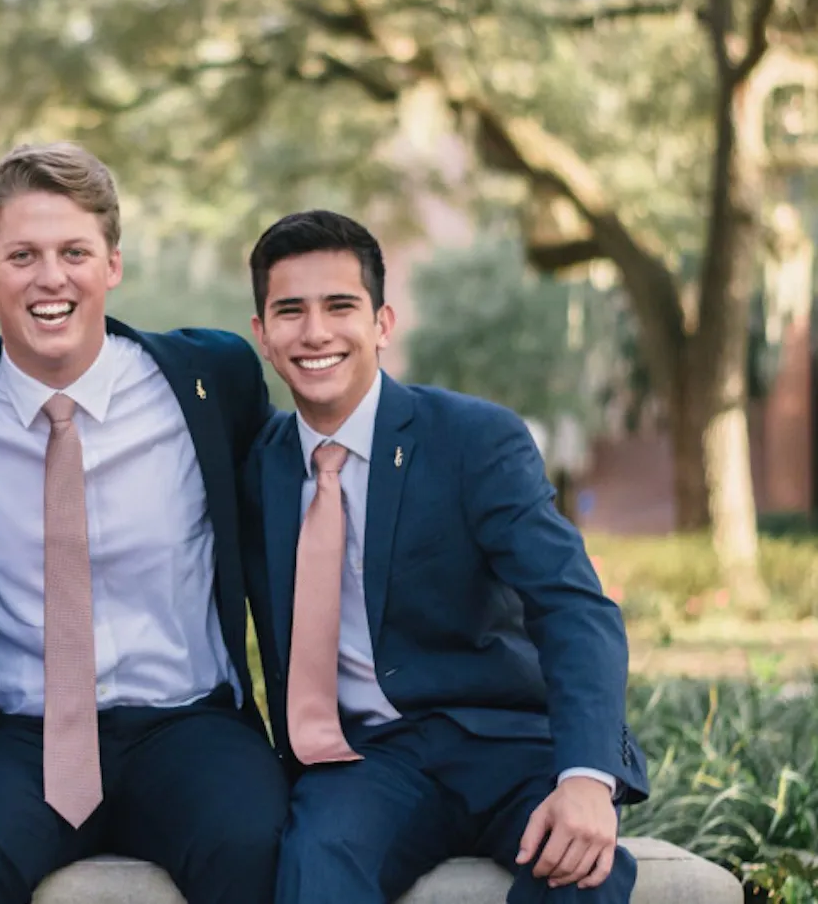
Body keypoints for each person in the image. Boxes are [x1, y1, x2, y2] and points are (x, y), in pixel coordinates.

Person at [0, 143, 289, 904]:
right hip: (10, 732)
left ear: (112, 264)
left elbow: (312, 444)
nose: (50, 277)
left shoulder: (212, 379)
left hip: (186, 723)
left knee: (259, 847)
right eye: (22, 254)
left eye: (75, 251)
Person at [238, 209, 649, 904]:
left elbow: (571, 606)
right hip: (367, 760)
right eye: (290, 311)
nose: (315, 332)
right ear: (263, 335)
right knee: (315, 866)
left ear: (382, 323)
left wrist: (585, 777)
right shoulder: (256, 469)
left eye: (341, 305)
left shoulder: (472, 439)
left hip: (511, 741)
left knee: (583, 871)